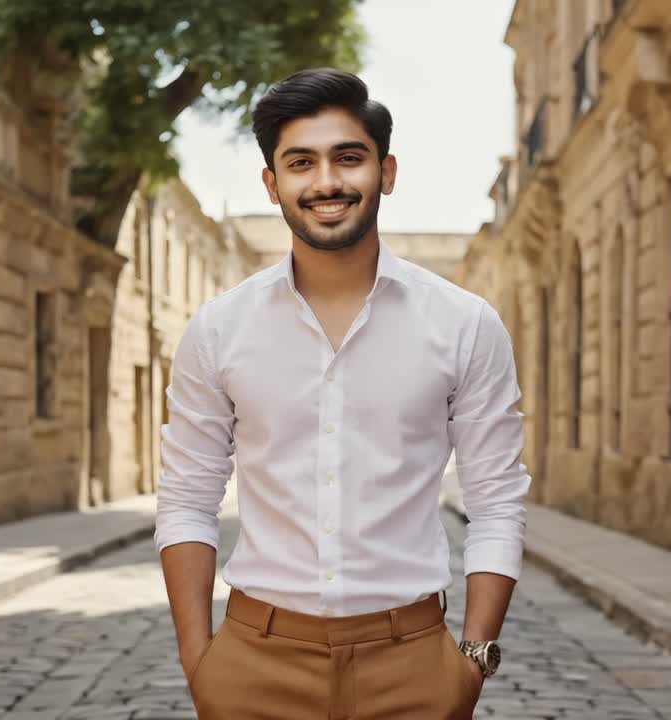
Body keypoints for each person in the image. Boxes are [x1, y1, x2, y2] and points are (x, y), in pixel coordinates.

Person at [155, 67, 530, 719]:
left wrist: (471, 661)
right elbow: (187, 496)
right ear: (273, 184)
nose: (326, 182)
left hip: (414, 666)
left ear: (385, 173)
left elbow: (495, 497)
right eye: (301, 163)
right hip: (255, 663)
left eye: (348, 158)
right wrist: (200, 662)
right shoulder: (219, 330)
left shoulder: (464, 324)